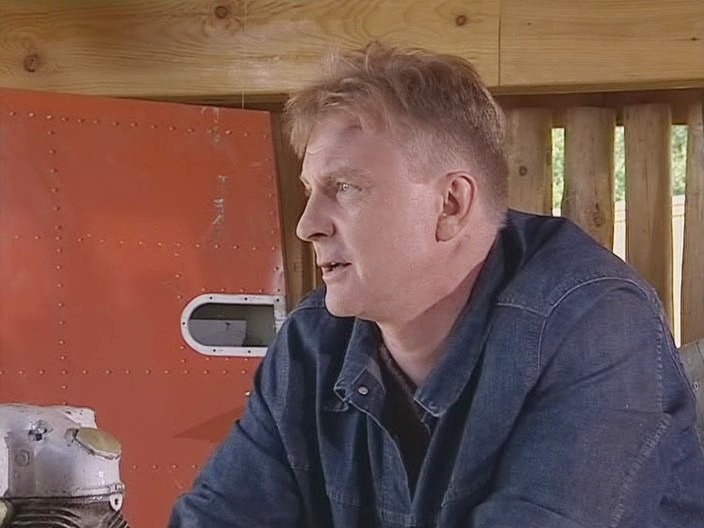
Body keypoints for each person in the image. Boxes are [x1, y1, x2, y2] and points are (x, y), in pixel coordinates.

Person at [168, 43, 704, 527]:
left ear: (450, 204)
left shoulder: (595, 323)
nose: (307, 225)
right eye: (311, 191)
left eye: (345, 187)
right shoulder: (312, 342)